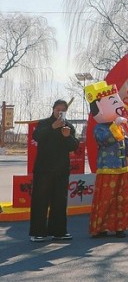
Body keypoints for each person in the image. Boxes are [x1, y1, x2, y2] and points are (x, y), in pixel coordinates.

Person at [85, 80, 128, 239]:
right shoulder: (100, 128)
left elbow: (124, 143)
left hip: (122, 168)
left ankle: (119, 227)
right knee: (105, 198)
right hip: (107, 169)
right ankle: (100, 227)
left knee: (121, 200)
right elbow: (105, 140)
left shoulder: (118, 127)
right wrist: (114, 127)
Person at [29, 99, 79, 242]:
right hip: (43, 169)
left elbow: (74, 146)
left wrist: (67, 136)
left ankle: (59, 232)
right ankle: (38, 232)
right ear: (53, 109)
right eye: (58, 110)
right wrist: (52, 127)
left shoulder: (68, 126)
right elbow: (37, 136)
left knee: (60, 202)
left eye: (63, 110)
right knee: (40, 200)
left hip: (61, 170)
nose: (60, 113)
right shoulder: (44, 123)